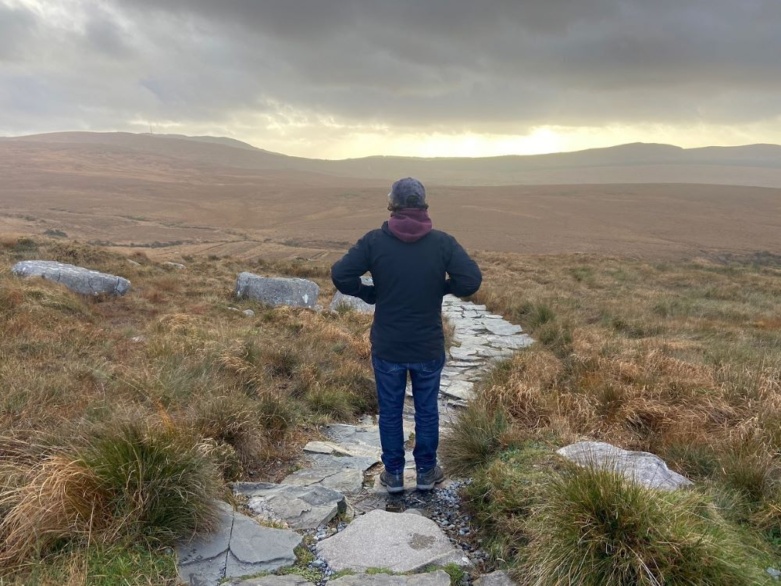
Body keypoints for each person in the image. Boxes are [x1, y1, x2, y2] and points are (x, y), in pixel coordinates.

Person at [331, 177, 482, 493]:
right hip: (427, 346)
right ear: (423, 206)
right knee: (427, 411)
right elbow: (470, 281)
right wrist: (440, 287)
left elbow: (341, 274)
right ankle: (426, 473)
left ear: (393, 206)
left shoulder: (375, 241)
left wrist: (370, 293)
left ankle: (394, 475)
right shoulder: (442, 243)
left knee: (390, 412)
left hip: (388, 346)